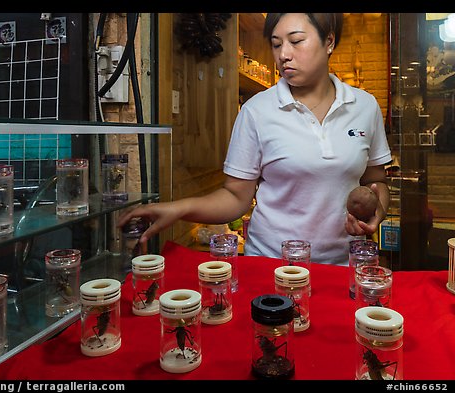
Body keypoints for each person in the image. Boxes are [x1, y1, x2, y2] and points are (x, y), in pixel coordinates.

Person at [118, 13, 391, 265]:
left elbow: (375, 181)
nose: (284, 54)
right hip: (270, 265)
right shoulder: (256, 111)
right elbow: (236, 197)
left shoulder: (364, 107)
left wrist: (377, 210)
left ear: (329, 41)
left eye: (296, 41)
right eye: (276, 44)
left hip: (343, 265)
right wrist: (178, 209)